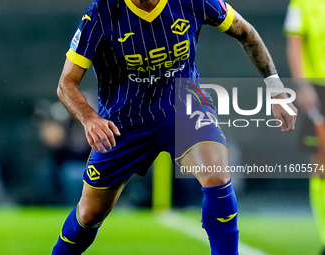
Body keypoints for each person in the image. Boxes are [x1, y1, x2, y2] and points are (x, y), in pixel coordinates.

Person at [52, 0, 297, 254]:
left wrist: (277, 90)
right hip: (123, 123)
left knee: (217, 176)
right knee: (90, 214)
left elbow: (246, 33)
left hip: (183, 106)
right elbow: (66, 83)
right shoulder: (102, 12)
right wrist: (90, 118)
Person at [284, 1, 325, 254]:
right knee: (321, 163)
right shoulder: (302, 3)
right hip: (319, 90)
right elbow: (295, 46)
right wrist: (303, 86)